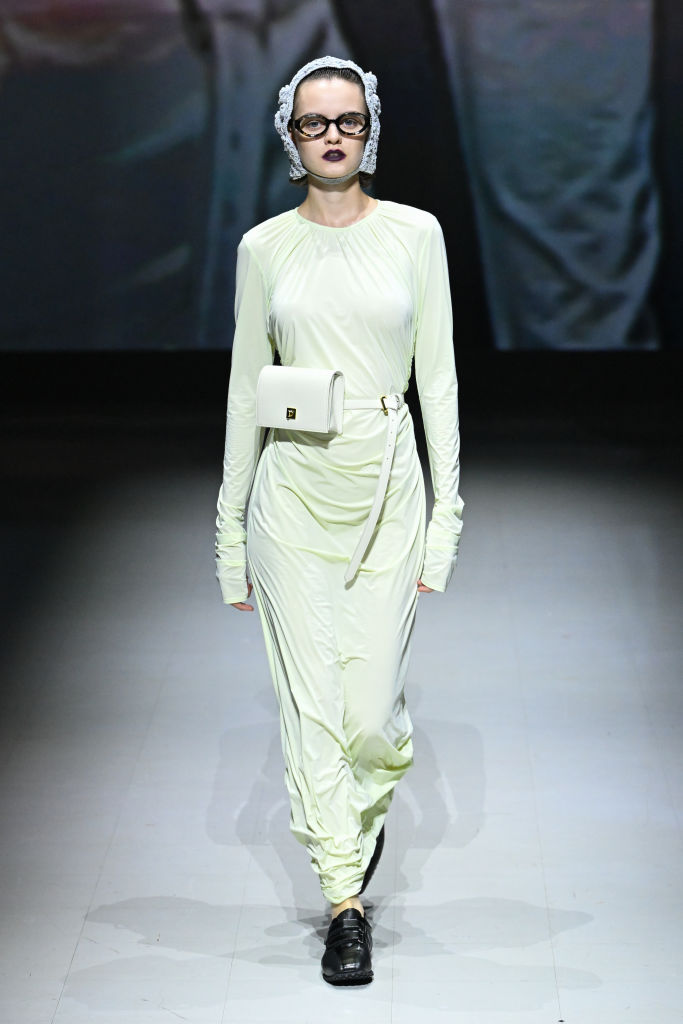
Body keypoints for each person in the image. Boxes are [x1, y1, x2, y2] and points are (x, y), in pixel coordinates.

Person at [215, 55, 464, 986]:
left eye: (347, 121)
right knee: (310, 712)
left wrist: (446, 519)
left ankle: (359, 813)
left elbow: (435, 380)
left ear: (369, 130)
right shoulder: (262, 248)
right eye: (315, 121)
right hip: (290, 496)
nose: (332, 134)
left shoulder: (416, 235)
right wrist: (229, 533)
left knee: (367, 719)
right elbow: (245, 391)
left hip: (387, 491)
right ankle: (343, 900)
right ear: (290, 133)